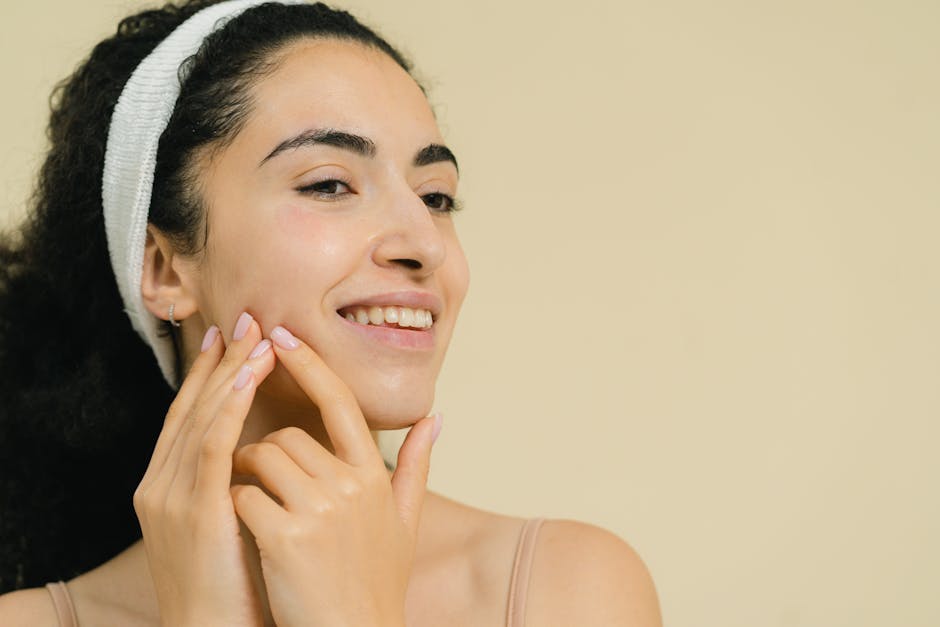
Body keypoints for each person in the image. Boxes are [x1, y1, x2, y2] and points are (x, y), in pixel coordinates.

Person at [0, 0, 662, 624]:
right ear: (165, 269)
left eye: (436, 196)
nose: (424, 242)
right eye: (329, 184)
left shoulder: (567, 588)